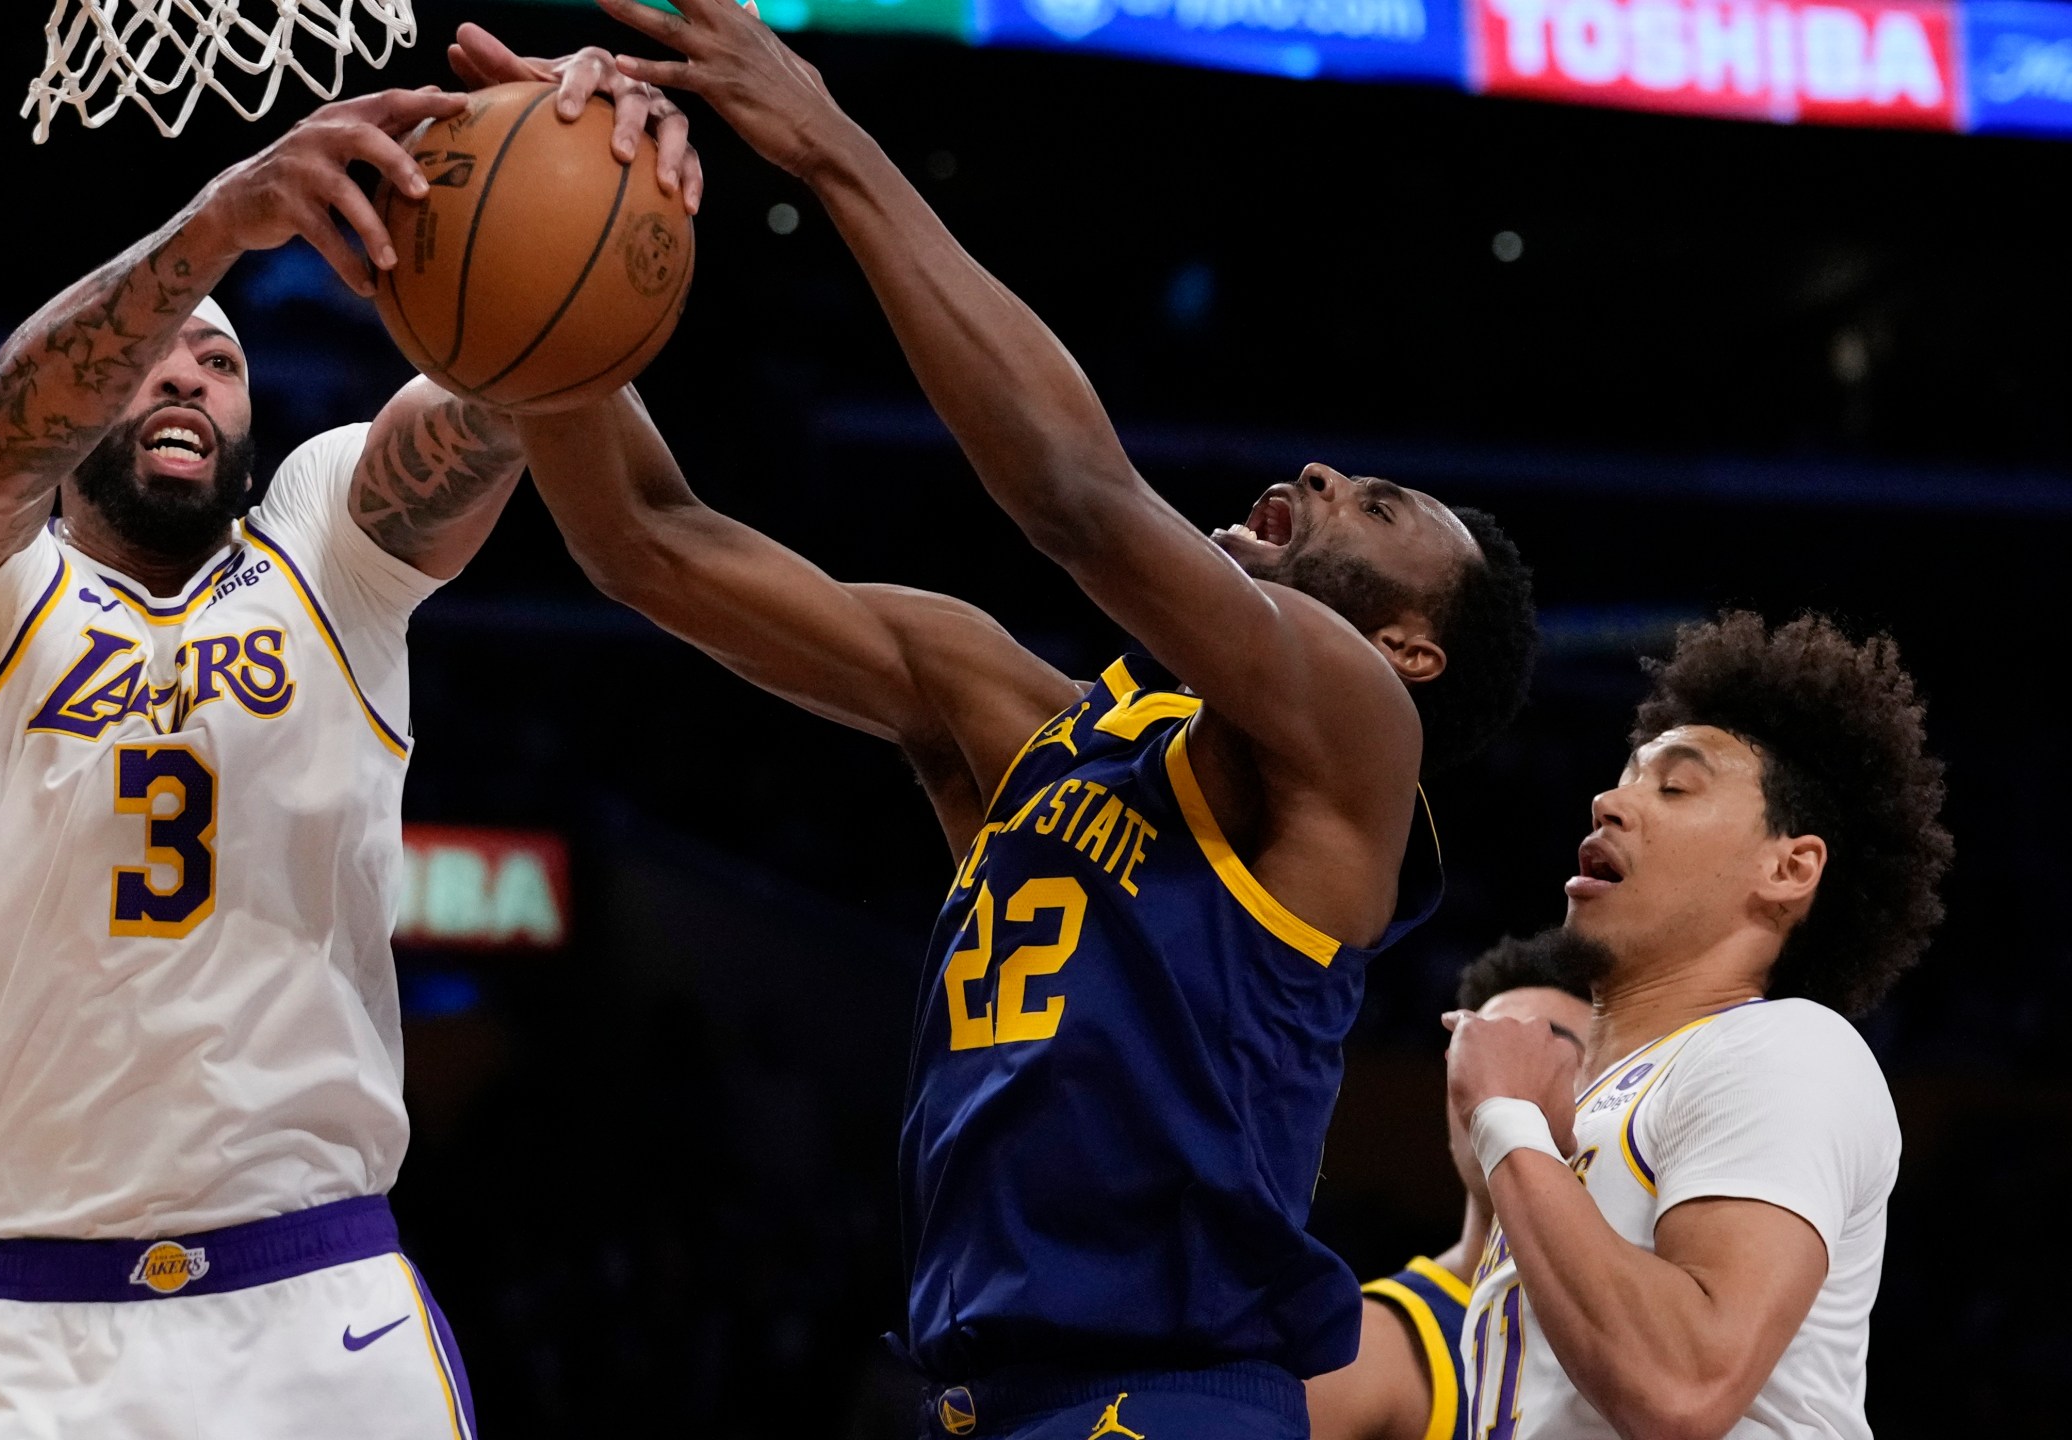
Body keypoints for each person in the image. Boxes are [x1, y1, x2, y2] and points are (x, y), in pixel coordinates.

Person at [483, 3, 1541, 1431]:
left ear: (1412, 647)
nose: (1329, 472)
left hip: (1176, 1393)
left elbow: (1077, 499)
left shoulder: (1356, 737)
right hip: (991, 1398)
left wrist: (832, 144)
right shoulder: (1027, 729)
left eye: (1387, 507)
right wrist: (512, 297)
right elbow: (651, 545)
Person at [0, 64, 696, 1437]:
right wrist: (216, 229)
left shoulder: (321, 548)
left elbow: (500, 388)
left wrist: (588, 177)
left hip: (324, 1304)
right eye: (153, 351)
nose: (188, 367)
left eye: (223, 359)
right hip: (33, 1331)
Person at [1445, 612, 1950, 1440]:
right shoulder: (1586, 1115)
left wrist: (1504, 1118)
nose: (1609, 801)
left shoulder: (1789, 1047)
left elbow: (1682, 1387)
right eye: (1624, 779)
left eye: (1673, 787)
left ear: (1788, 868)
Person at [1307, 932, 1596, 1440]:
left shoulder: (1659, 1353)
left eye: (1544, 1049)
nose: (1495, 1081)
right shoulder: (1365, 1348)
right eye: (1481, 1052)